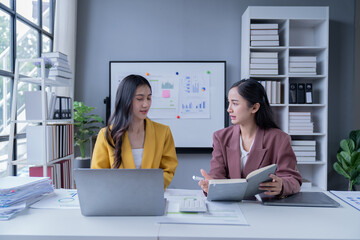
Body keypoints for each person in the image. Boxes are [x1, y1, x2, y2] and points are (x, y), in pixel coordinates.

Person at [198, 79, 302, 197]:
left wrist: (282, 185)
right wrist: (210, 186)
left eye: (235, 103)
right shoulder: (221, 137)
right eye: (229, 103)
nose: (229, 109)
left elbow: (293, 179)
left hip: (265, 208)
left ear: (254, 108)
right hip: (231, 206)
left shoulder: (279, 139)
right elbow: (217, 176)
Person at [91, 74, 178, 189]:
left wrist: (146, 187)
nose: (146, 104)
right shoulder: (106, 134)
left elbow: (168, 170)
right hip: (117, 199)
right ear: (125, 100)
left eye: (149, 98)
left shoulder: (163, 132)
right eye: (139, 99)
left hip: (151, 195)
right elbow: (98, 175)